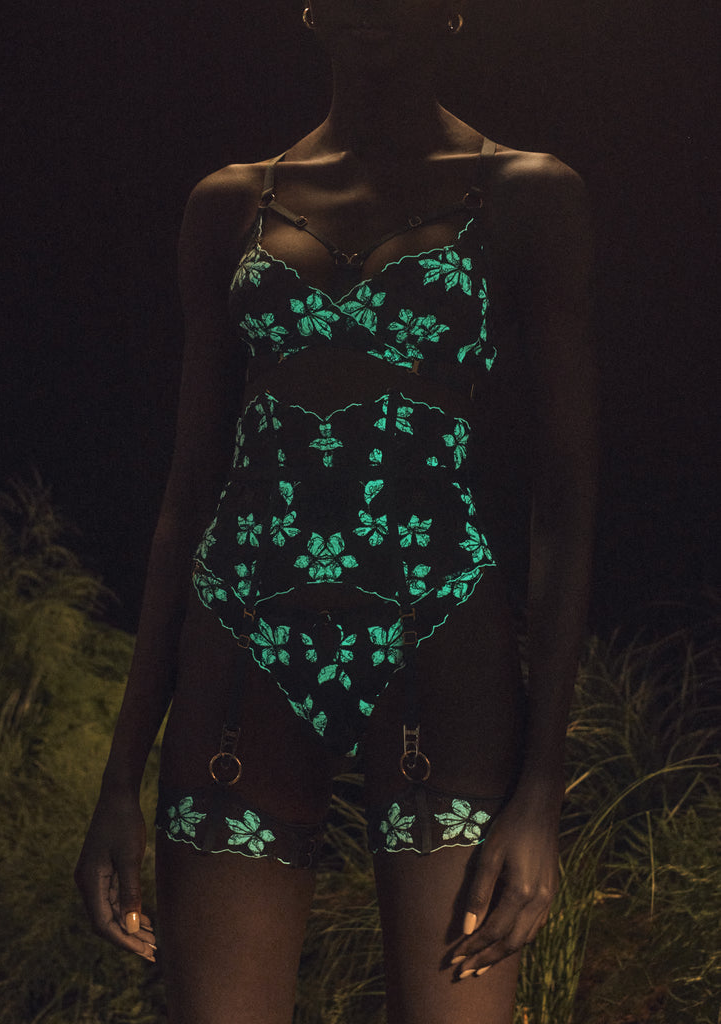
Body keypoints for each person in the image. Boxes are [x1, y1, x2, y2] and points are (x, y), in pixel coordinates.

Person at [75, 2, 596, 1022]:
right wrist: (118, 780)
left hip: (441, 647)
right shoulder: (230, 202)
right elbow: (189, 491)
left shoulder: (529, 193)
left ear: (452, 9)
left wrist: (542, 790)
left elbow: (567, 500)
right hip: (240, 654)